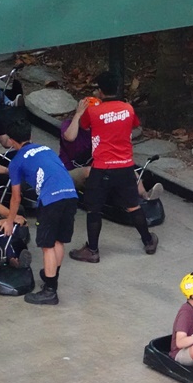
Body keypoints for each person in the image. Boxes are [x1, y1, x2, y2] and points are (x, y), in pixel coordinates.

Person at [68, 71, 158, 264]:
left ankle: (92, 251)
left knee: (94, 210)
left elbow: (83, 127)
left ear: (100, 92)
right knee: (133, 206)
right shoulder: (128, 108)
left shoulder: (93, 111)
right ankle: (148, 241)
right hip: (125, 167)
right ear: (117, 88)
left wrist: (81, 111)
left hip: (101, 168)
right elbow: (133, 125)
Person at [3, 116, 79, 306]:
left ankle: (50, 291)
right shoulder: (46, 148)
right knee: (58, 240)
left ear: (11, 141)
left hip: (51, 199)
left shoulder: (16, 161)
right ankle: (50, 276)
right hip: (71, 195)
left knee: (47, 246)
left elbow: (16, 197)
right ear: (30, 135)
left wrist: (9, 221)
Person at [61, 96, 163, 200]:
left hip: (98, 169)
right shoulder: (69, 125)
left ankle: (144, 195)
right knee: (89, 171)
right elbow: (70, 137)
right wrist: (78, 115)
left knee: (127, 169)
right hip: (69, 172)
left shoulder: (99, 128)